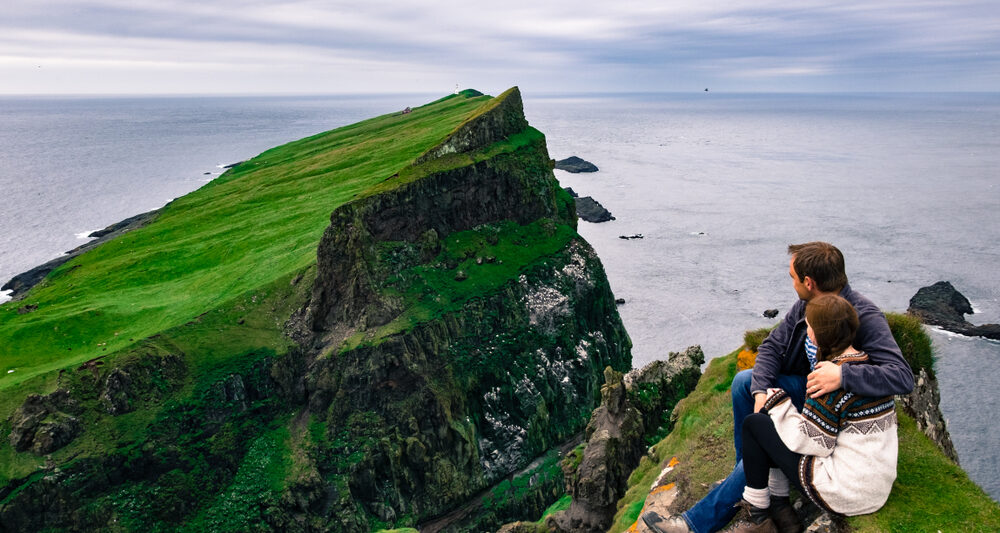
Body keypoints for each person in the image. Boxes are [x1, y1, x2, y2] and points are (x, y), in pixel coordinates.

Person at [641, 242, 913, 533]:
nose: (791, 282)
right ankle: (747, 474)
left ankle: (696, 524)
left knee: (764, 432)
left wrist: (842, 375)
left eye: (793, 277)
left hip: (834, 404)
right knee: (745, 383)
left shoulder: (863, 315)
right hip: (812, 392)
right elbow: (772, 346)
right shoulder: (806, 306)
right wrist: (761, 394)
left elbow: (901, 377)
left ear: (809, 283)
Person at [734, 294, 898, 532]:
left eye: (808, 326)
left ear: (817, 335)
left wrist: (778, 404)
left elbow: (813, 442)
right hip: (876, 487)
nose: (806, 331)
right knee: (772, 428)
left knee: (755, 424)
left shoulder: (826, 378)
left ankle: (756, 515)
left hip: (845, 492)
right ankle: (782, 512)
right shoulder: (870, 371)